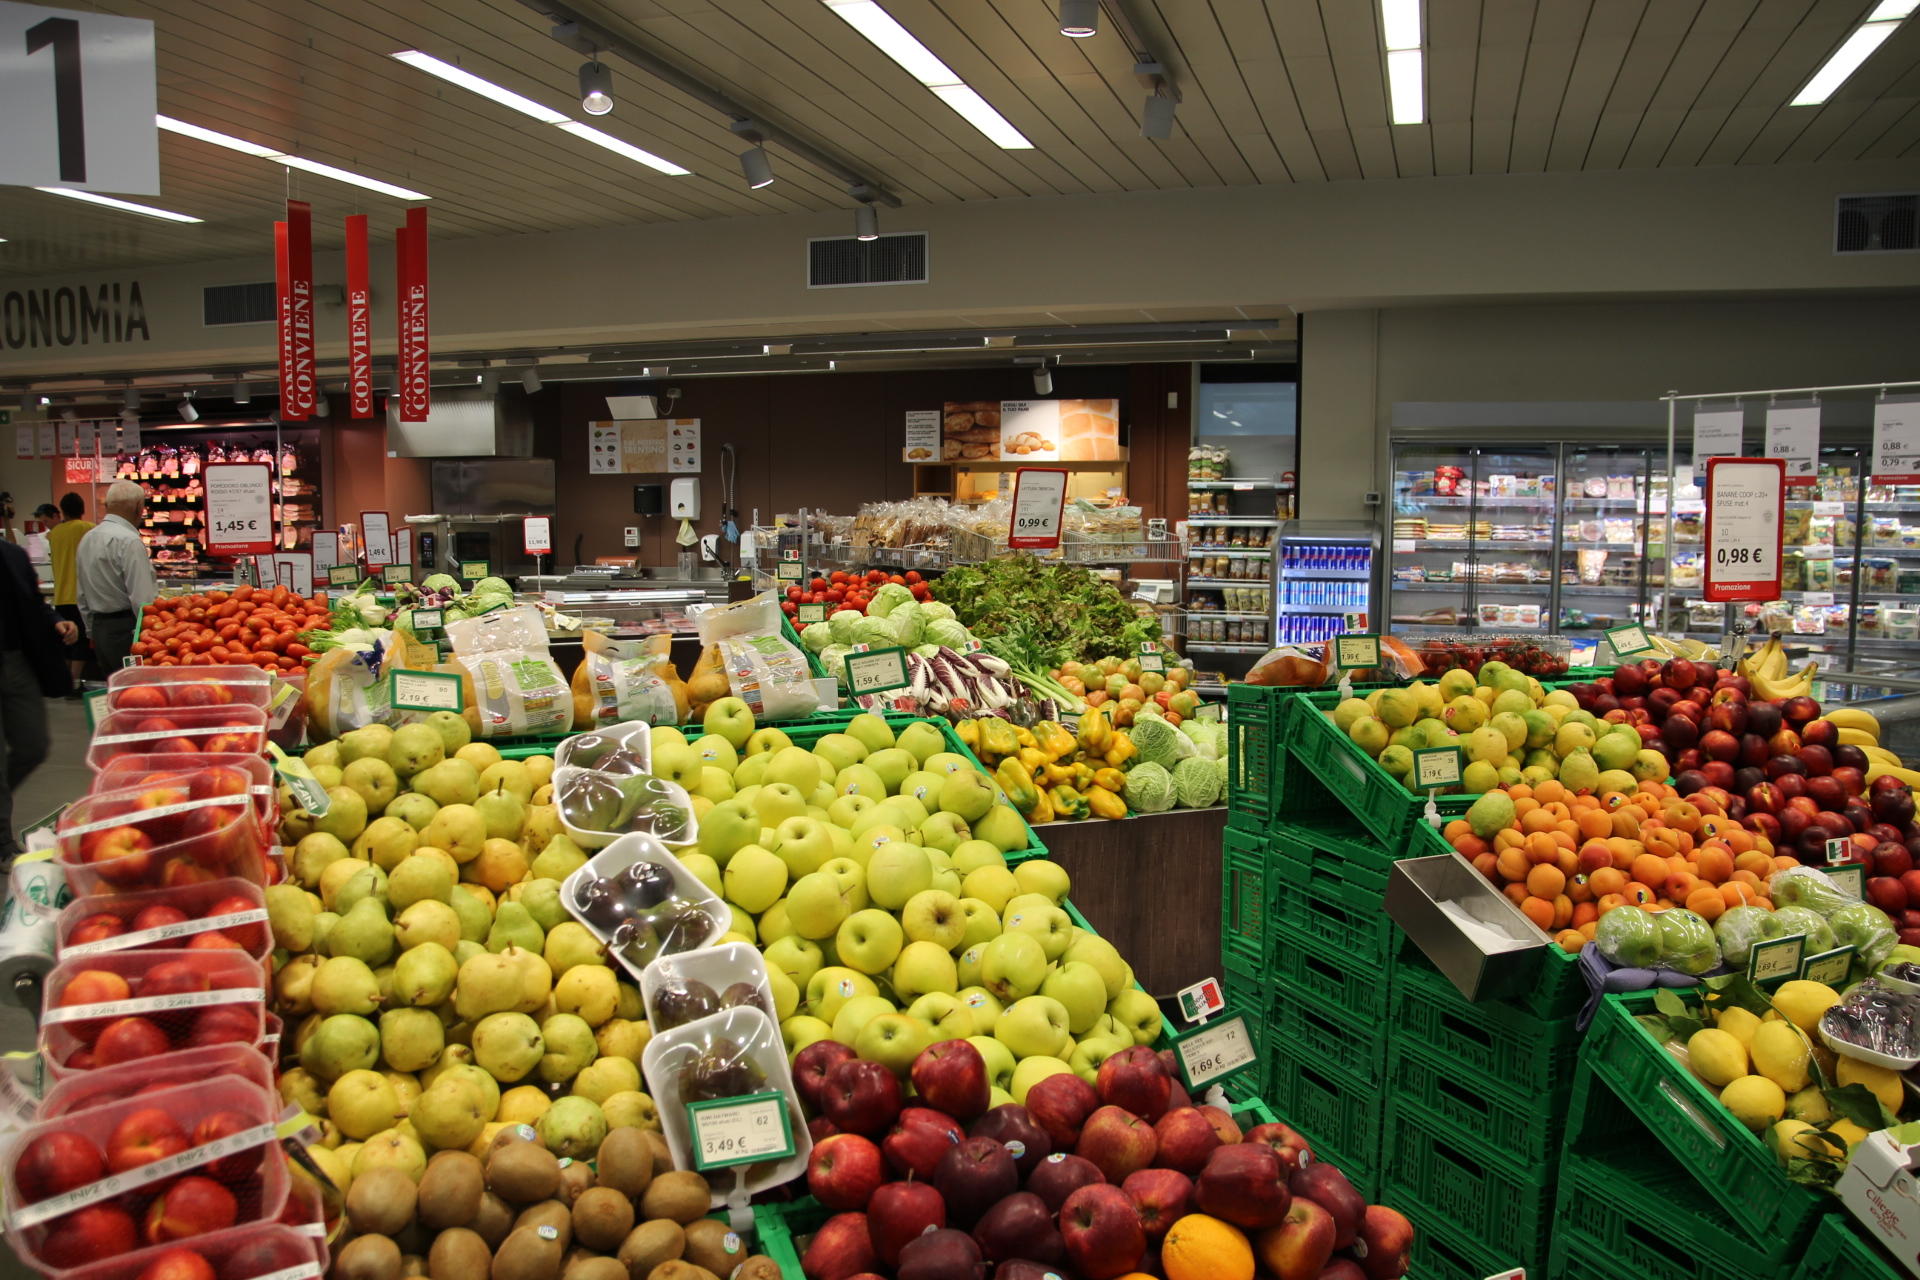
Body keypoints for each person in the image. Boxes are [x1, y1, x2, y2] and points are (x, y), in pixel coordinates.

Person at [0, 535, 77, 863]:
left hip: (15, 661)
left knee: (33, 745)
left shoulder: (12, 555)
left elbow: (31, 603)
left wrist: (56, 621)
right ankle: (3, 844)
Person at [76, 480, 157, 674]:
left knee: (114, 690)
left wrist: (91, 631)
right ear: (139, 508)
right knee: (135, 689)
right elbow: (142, 599)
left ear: (107, 506)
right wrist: (151, 635)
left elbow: (81, 593)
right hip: (126, 631)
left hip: (99, 628)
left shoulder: (88, 538)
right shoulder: (129, 541)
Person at [46, 492, 94, 690]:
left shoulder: (54, 533)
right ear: (82, 509)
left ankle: (64, 681)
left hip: (60, 595)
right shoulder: (88, 529)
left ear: (63, 510)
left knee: (66, 642)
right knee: (82, 642)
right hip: (80, 595)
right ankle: (74, 683)